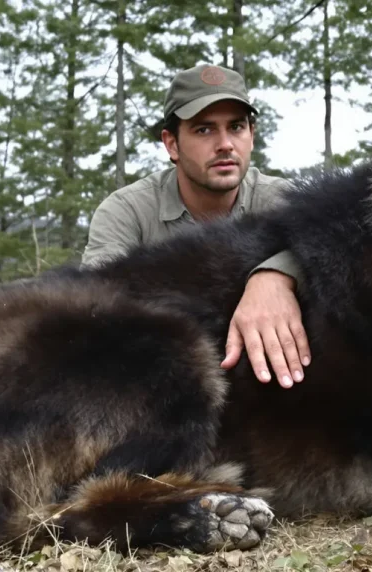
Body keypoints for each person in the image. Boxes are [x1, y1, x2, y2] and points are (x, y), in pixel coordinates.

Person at [82, 64, 309, 389]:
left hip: (266, 389)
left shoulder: (282, 200)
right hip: (159, 382)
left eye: (236, 127)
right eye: (204, 130)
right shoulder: (127, 211)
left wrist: (273, 277)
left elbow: (332, 250)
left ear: (252, 134)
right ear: (171, 144)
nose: (225, 144)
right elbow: (94, 303)